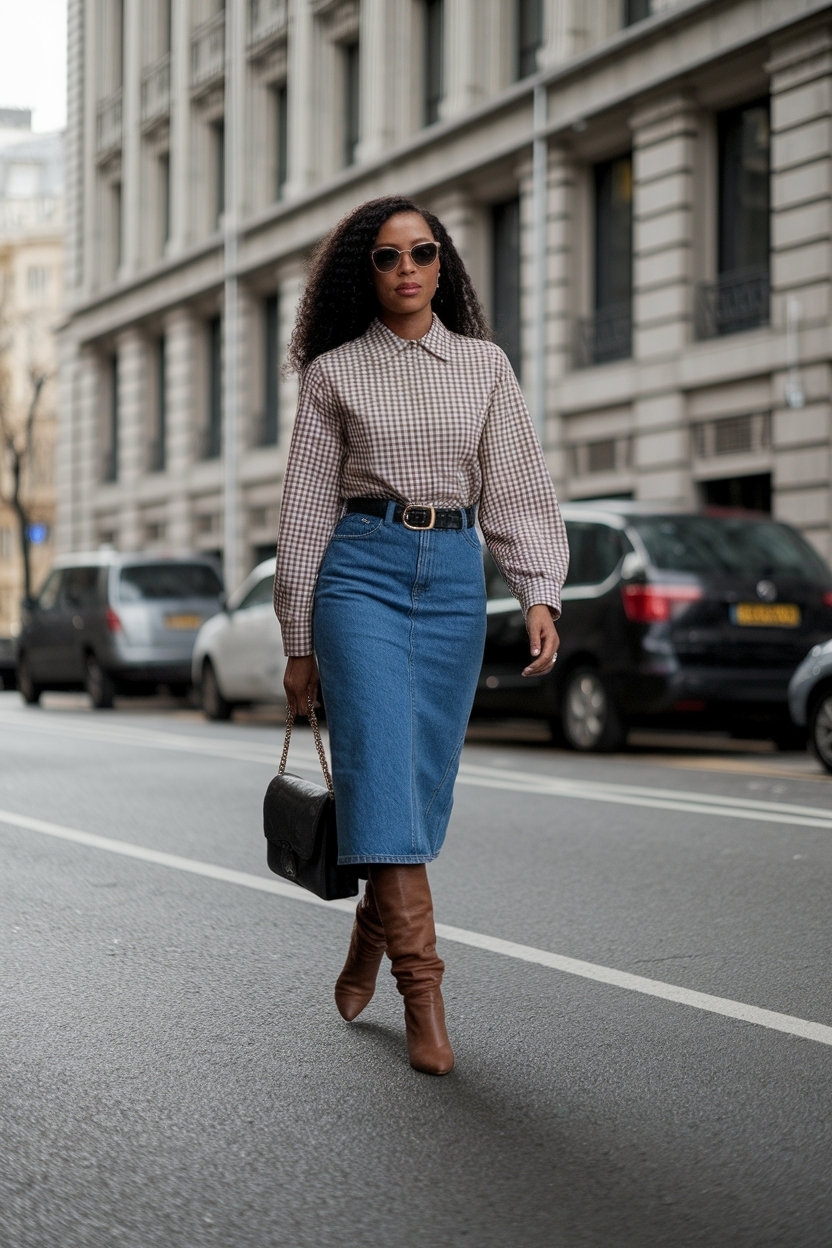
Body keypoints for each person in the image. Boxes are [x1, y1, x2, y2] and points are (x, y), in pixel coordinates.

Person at [274, 195, 568, 1076]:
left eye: (423, 253)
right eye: (387, 256)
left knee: (418, 789)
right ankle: (423, 992)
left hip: (453, 583)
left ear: (444, 266)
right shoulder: (334, 374)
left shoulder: (484, 366)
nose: (407, 269)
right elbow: (304, 511)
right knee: (380, 773)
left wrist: (540, 591)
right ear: (362, 272)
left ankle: (371, 934)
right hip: (359, 576)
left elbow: (516, 484)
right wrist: (297, 639)